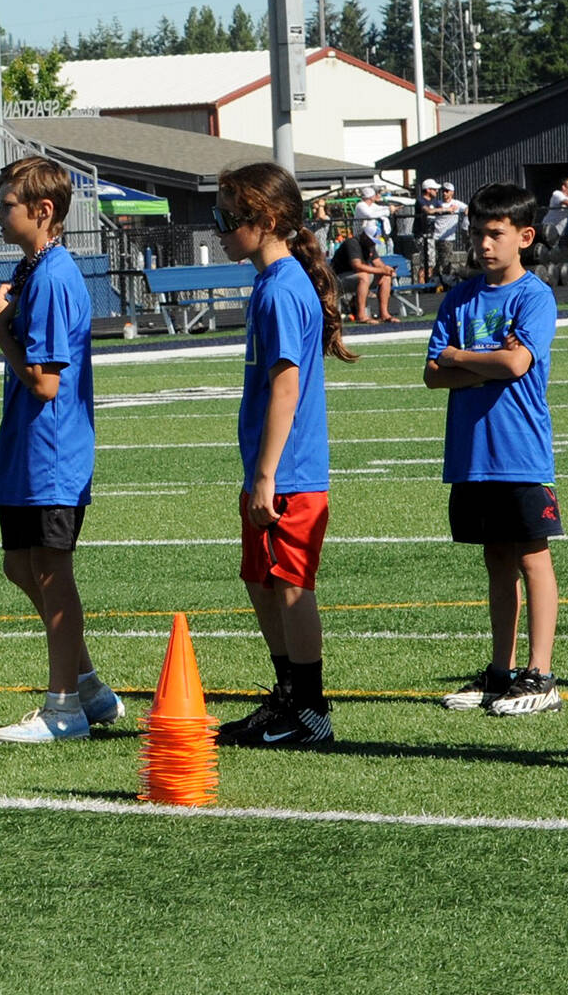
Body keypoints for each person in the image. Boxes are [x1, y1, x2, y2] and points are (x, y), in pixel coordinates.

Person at [210, 162, 359, 748]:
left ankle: (311, 709)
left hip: (288, 471)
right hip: (270, 470)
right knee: (261, 580)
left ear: (265, 220)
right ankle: (290, 695)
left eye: (228, 217)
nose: (220, 227)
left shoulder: (282, 287)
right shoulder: (272, 282)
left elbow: (286, 387)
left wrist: (267, 474)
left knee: (291, 583)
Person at [0, 157, 125, 743]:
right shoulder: (34, 268)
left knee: (51, 573)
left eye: (7, 204)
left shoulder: (52, 276)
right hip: (26, 451)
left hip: (51, 452)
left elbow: (45, 381)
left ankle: (62, 705)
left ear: (43, 212)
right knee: (21, 565)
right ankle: (87, 683)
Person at [424, 183, 563, 716]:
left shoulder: (534, 296)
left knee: (533, 557)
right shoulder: (459, 298)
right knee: (496, 560)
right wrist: (477, 360)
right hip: (472, 454)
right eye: (478, 233)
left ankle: (541, 674)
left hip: (519, 451)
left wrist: (462, 356)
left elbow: (516, 365)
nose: (483, 244)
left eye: (495, 234)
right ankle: (501, 672)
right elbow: (433, 376)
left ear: (524, 237)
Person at [330, 224, 398, 324]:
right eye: (372, 241)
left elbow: (378, 263)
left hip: (354, 278)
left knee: (385, 277)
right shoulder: (352, 243)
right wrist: (382, 270)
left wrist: (387, 270)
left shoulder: (370, 245)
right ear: (365, 236)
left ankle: (384, 314)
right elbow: (357, 266)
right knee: (364, 276)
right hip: (338, 279)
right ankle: (361, 315)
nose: (373, 244)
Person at [431, 181, 469, 284]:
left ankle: (445, 282)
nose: (444, 193)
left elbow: (467, 208)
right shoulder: (438, 204)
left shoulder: (456, 203)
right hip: (436, 236)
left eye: (447, 191)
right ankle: (437, 281)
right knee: (435, 262)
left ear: (452, 192)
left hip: (448, 238)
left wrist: (466, 211)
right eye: (443, 191)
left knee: (446, 261)